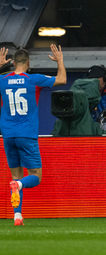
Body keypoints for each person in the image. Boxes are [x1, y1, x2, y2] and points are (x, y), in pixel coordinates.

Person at [0, 45, 66, 226]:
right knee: (36, 176)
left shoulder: (2, 79)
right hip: (27, 134)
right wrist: (59, 60)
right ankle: (20, 186)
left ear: (13, 63)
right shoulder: (33, 79)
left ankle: (17, 216)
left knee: (16, 175)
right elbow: (62, 79)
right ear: (28, 63)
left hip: (7, 134)